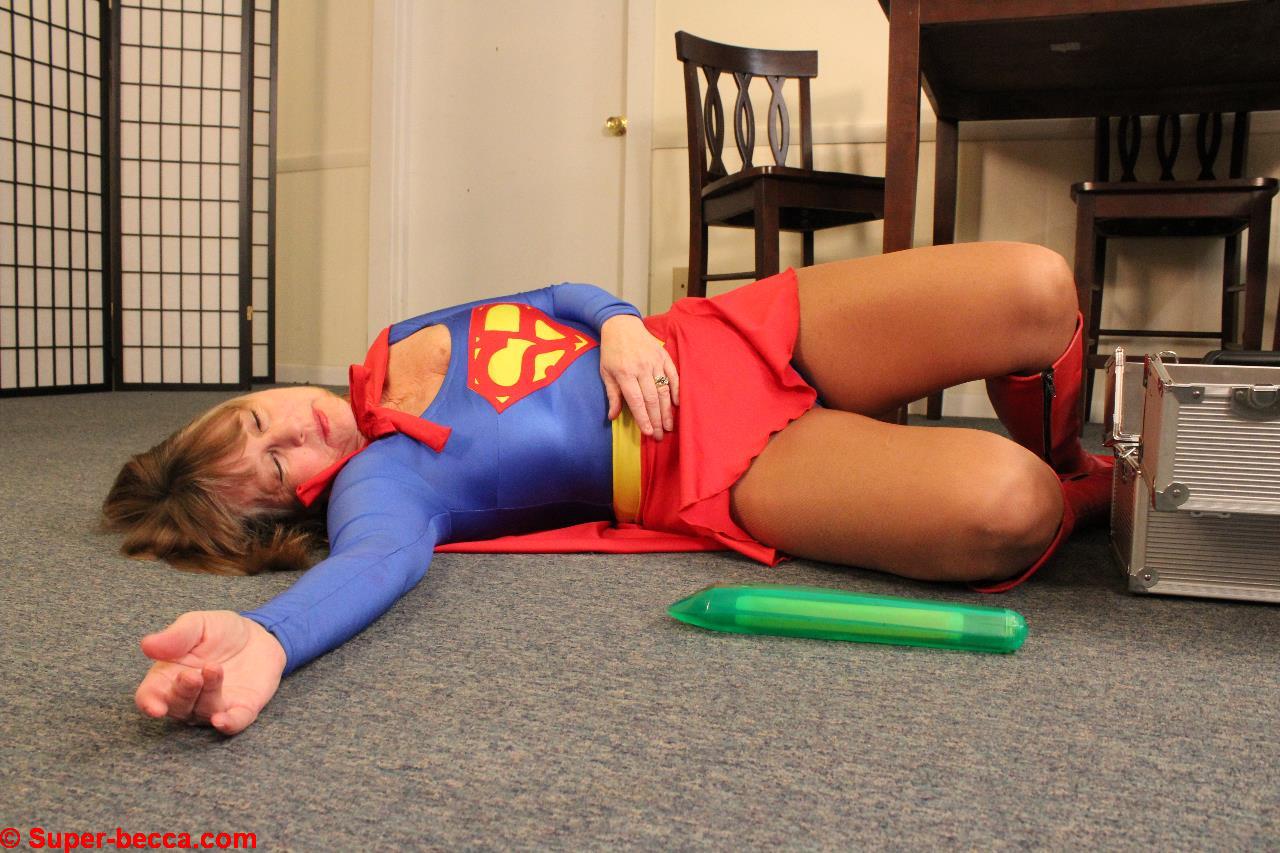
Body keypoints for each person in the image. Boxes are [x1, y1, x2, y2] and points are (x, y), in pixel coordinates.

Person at [104, 242, 1112, 735]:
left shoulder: (395, 338)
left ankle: (1070, 453)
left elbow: (554, 299)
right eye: (277, 468)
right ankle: (1084, 492)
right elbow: (377, 562)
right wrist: (271, 635)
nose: (297, 430)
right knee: (1010, 509)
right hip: (719, 463)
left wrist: (620, 321)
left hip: (724, 336)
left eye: (258, 421)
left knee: (1034, 287)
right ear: (291, 509)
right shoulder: (381, 481)